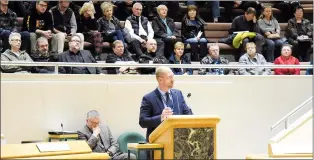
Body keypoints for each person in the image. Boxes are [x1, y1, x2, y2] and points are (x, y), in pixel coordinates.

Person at [139, 66, 193, 141]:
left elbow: (188, 114)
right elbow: (143, 122)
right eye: (169, 77)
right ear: (160, 79)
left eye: (173, 77)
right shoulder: (148, 98)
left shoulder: (178, 94)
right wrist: (161, 117)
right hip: (158, 142)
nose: (173, 80)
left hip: (180, 142)